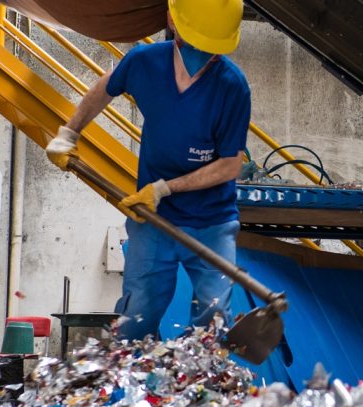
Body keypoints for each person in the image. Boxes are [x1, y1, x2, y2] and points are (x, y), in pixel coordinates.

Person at [45, 0, 250, 340]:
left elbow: (230, 165)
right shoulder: (145, 62)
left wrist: (165, 188)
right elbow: (105, 88)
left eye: (212, 49)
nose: (204, 55)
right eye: (198, 42)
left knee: (213, 317)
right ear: (172, 21)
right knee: (137, 314)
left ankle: (200, 370)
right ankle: (135, 370)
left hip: (211, 221)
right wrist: (69, 133)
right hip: (154, 217)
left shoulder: (232, 87)